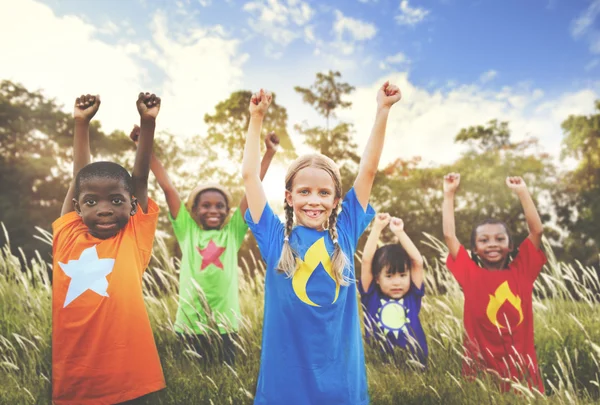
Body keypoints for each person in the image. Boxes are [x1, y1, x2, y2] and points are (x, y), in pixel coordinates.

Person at [241, 82, 401, 404]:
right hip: (285, 381)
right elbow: (249, 177)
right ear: (289, 197)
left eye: (324, 193)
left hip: (339, 377)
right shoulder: (273, 236)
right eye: (304, 192)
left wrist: (382, 111)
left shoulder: (346, 230)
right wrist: (256, 118)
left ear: (337, 200)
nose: (314, 201)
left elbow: (368, 170)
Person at [129, 126, 279, 364]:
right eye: (206, 205)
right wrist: (144, 145)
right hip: (190, 325)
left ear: (227, 212)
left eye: (220, 206)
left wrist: (269, 153)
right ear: (194, 210)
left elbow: (253, 189)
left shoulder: (233, 233)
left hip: (226, 326)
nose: (213, 210)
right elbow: (168, 188)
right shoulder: (187, 231)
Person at [52, 93, 165, 404]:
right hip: (77, 383)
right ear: (77, 206)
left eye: (116, 200)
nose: (103, 209)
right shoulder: (68, 236)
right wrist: (80, 124)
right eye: (91, 202)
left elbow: (139, 179)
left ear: (131, 207)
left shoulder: (132, 237)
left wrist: (148, 123)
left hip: (134, 381)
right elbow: (79, 178)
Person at [442, 172, 546, 393]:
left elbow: (537, 230)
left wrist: (522, 192)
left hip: (522, 375)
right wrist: (449, 194)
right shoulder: (470, 275)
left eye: (500, 239)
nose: (492, 244)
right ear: (474, 249)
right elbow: (449, 236)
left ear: (510, 246)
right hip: (481, 375)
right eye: (484, 240)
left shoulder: (523, 271)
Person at [359, 213, 427, 367]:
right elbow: (366, 261)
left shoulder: (412, 296)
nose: (397, 282)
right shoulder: (371, 296)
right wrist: (376, 228)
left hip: (415, 364)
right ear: (377, 278)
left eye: (403, 275)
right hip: (381, 365)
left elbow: (417, 261)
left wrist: (400, 232)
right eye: (389, 276)